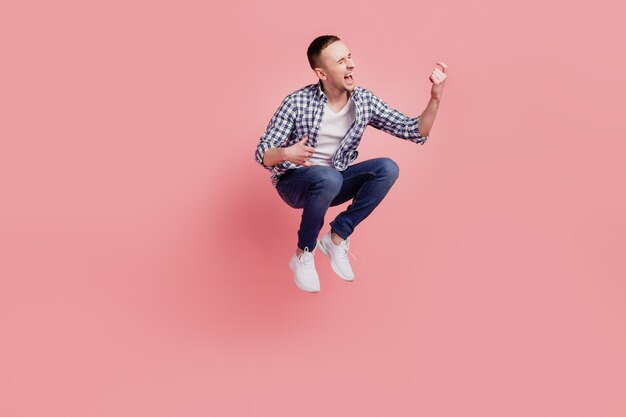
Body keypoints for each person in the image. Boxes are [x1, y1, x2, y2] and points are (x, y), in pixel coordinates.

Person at [254, 35, 447, 293]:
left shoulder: (363, 101)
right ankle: (303, 253)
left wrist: (435, 97)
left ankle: (337, 237)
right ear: (321, 73)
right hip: (295, 184)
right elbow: (262, 153)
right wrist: (287, 153)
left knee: (387, 168)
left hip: (333, 182)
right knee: (329, 177)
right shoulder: (297, 102)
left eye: (350, 57)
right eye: (341, 61)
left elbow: (415, 131)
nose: (351, 65)